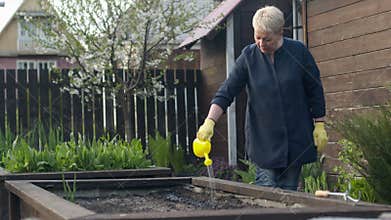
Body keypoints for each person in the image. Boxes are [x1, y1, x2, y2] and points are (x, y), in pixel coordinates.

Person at [196, 6, 328, 191]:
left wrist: (319, 124)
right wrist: (209, 122)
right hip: (263, 141)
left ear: (280, 32)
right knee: (265, 193)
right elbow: (226, 92)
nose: (260, 43)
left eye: (267, 39)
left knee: (288, 194)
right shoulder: (248, 57)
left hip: (295, 139)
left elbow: (315, 89)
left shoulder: (299, 52)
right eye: (257, 37)